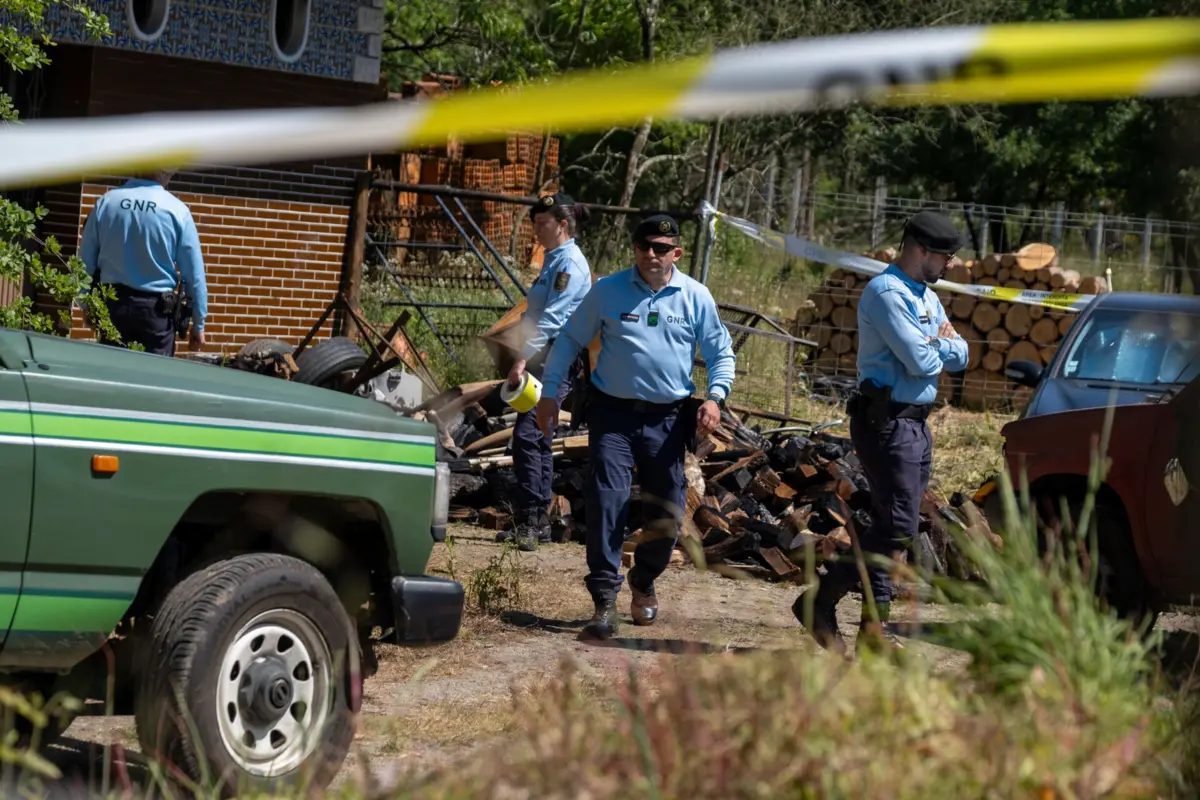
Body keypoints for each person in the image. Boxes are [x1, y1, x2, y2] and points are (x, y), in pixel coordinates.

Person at [535, 213, 736, 640]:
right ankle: (604, 598)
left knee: (667, 514)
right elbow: (570, 339)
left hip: (668, 420)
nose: (651, 254)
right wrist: (550, 393)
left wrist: (716, 398)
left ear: (676, 253)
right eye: (644, 246)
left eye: (661, 248)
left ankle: (643, 579)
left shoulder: (695, 296)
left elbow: (721, 353)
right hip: (614, 416)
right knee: (607, 499)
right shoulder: (607, 291)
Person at [793, 208, 968, 656]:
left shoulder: (925, 296)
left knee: (896, 526)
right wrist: (938, 345)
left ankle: (874, 631)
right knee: (897, 528)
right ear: (921, 251)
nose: (950, 266)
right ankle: (822, 601)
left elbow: (962, 354)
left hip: (915, 423)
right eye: (945, 257)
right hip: (887, 422)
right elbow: (923, 362)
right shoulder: (888, 293)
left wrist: (939, 344)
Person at [501, 192, 593, 551]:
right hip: (542, 353)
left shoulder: (570, 264)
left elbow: (554, 318)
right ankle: (532, 519)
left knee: (530, 435)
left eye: (543, 224)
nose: (536, 230)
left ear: (563, 225)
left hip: (556, 356)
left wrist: (523, 357)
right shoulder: (553, 259)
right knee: (533, 436)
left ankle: (534, 520)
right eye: (535, 223)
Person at [79, 169, 207, 356]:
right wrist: (198, 323)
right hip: (156, 314)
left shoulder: (107, 202)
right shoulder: (177, 210)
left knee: (112, 375)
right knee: (154, 378)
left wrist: (85, 304)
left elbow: (84, 262)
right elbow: (194, 274)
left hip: (113, 307)